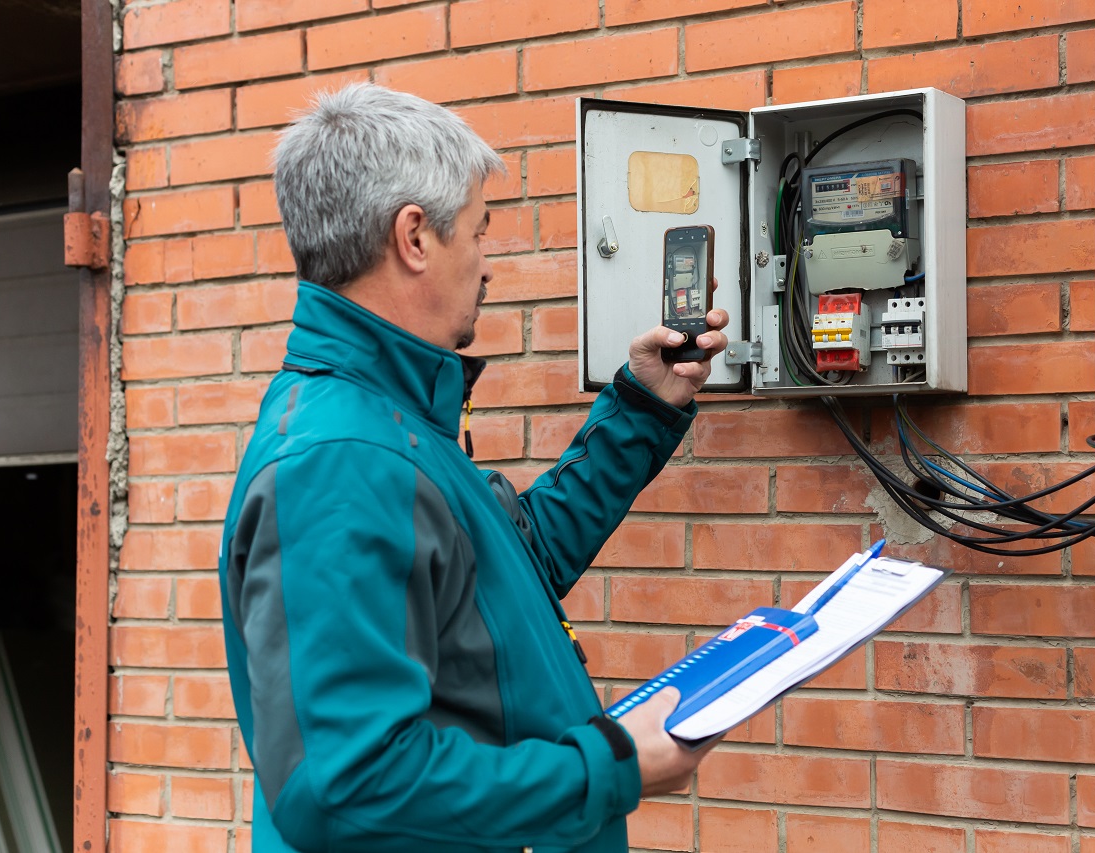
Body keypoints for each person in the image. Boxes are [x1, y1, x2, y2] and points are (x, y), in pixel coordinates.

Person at [217, 83, 730, 853]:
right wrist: (610, 764)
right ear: (415, 238)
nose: (489, 264)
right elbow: (347, 785)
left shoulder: (395, 423)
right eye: (481, 233)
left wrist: (645, 407)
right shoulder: (340, 463)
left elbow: (507, 575)